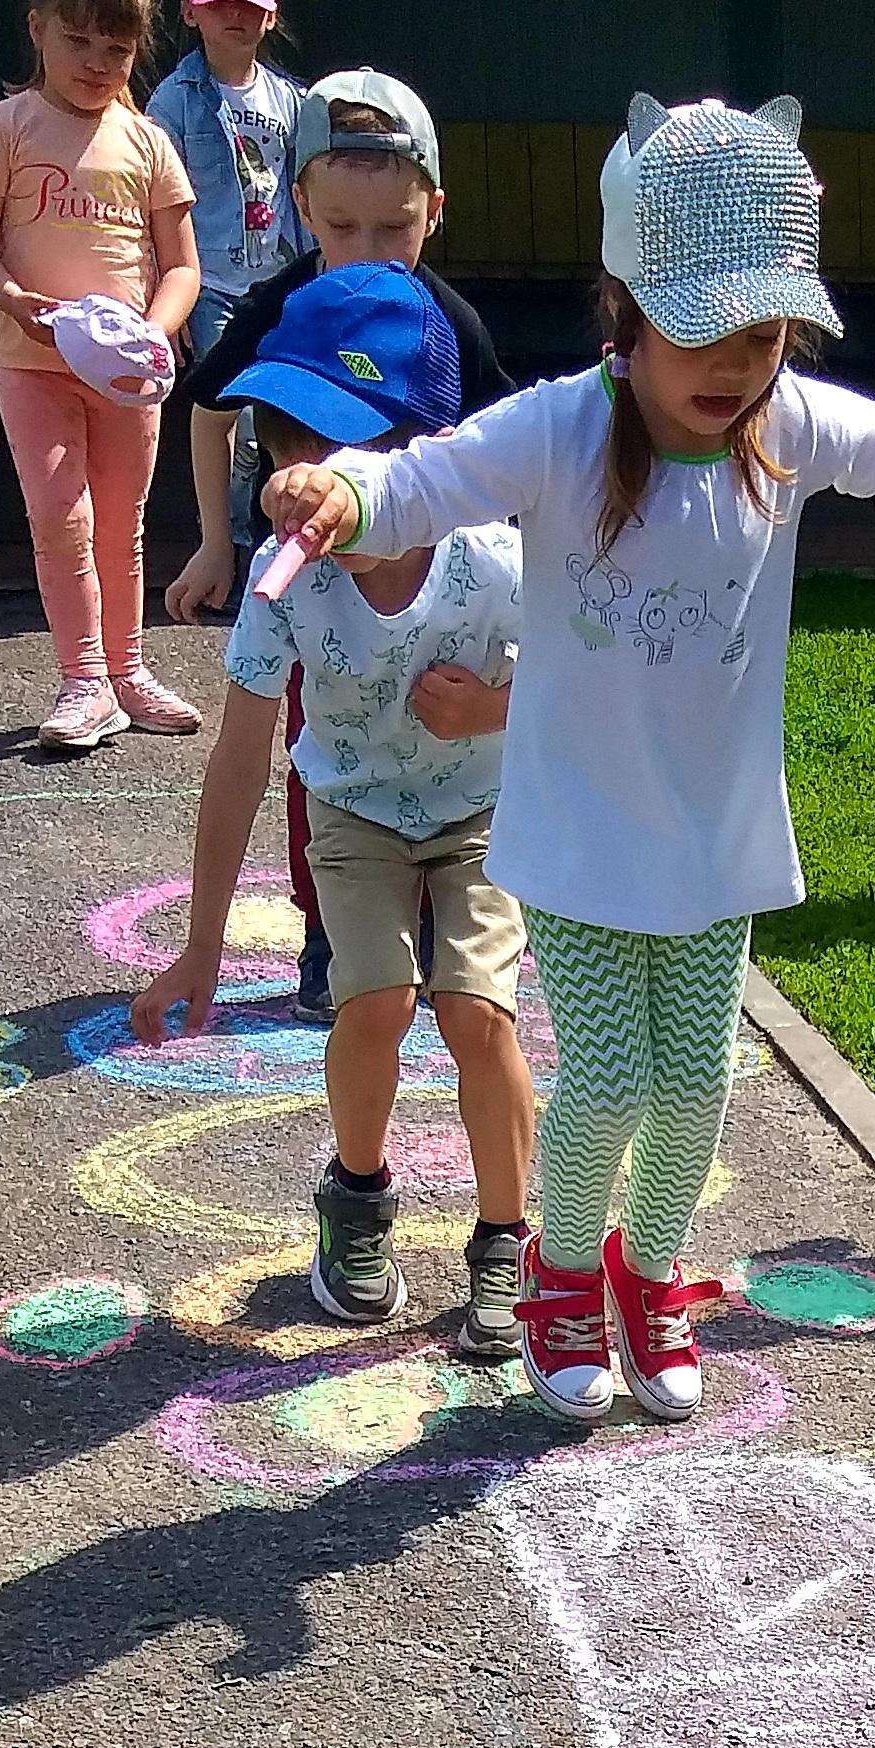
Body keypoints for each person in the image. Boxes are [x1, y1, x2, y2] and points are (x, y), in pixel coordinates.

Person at [257, 88, 875, 1430]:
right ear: (627, 309)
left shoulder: (778, 423)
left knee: (697, 1085)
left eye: (766, 336)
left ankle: (646, 1274)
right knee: (606, 1081)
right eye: (702, 332)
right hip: (582, 831)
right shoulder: (562, 426)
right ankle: (553, 1275)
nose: (735, 364)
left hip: (712, 836)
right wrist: (344, 490)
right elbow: (423, 479)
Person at [130, 267, 530, 1357]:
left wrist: (495, 705)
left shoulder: (497, 560)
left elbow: (592, 696)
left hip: (479, 815)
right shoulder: (286, 577)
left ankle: (507, 1240)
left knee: (477, 1014)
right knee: (374, 1001)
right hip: (352, 813)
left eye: (338, 443)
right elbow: (241, 759)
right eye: (284, 441)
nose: (303, 476)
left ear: (431, 456)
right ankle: (355, 1201)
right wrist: (202, 947)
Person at [170, 70, 512, 1029]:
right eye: (341, 227)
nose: (367, 252)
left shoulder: (445, 327)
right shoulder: (287, 310)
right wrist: (216, 545)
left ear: (433, 212)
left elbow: (509, 454)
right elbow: (210, 408)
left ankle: (452, 899)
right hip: (308, 567)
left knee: (440, 720)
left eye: (393, 229)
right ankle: (333, 920)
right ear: (301, 209)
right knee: (315, 735)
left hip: (430, 577)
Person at [0, 0, 201, 754]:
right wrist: (13, 298)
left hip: (124, 377)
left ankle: (128, 670)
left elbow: (181, 266)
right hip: (32, 362)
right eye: (79, 40)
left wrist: (155, 331)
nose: (98, 61)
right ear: (37, 29)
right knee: (58, 516)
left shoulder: (147, 142)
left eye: (118, 46)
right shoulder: (8, 127)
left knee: (120, 520)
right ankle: (83, 679)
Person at [146, 0, 304, 410]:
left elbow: (308, 197)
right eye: (219, 2)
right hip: (210, 288)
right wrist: (162, 307)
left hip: (282, 281)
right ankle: (227, 490)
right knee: (226, 413)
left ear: (271, 15)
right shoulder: (173, 102)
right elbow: (154, 210)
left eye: (249, 4)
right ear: (190, 10)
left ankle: (268, 490)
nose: (235, 13)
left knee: (283, 411)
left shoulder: (297, 101)